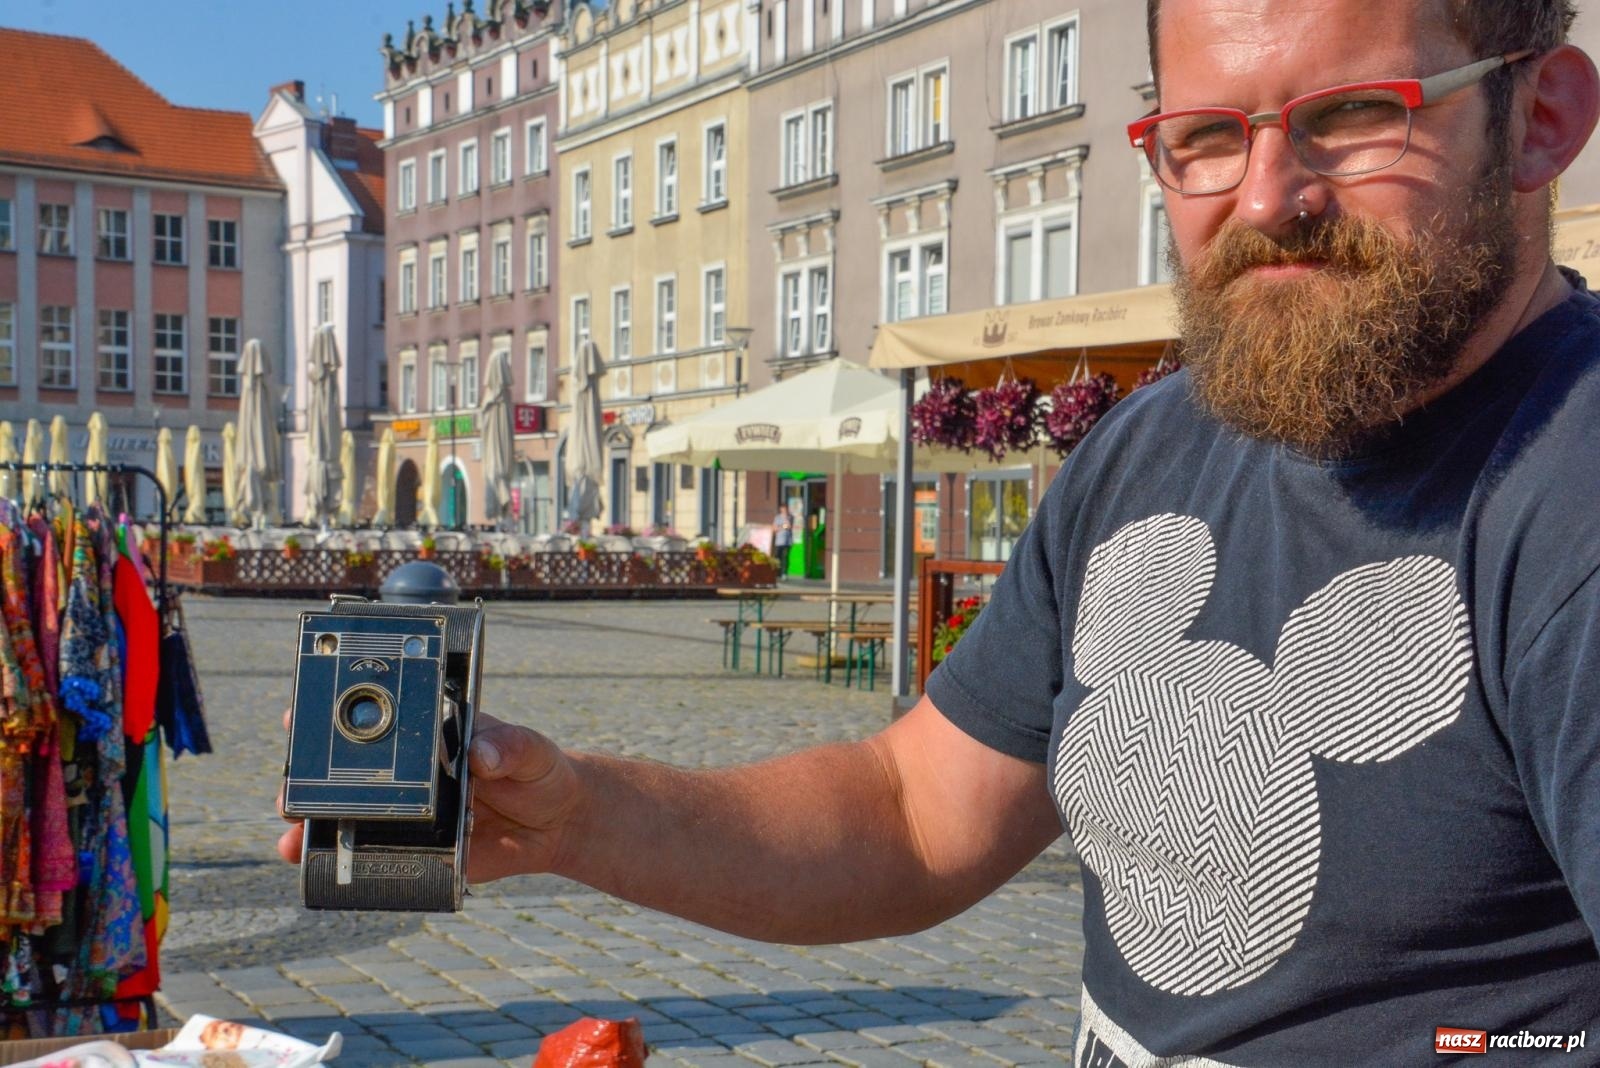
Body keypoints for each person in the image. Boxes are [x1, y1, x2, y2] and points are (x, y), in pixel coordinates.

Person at [280, 0, 1600, 1062]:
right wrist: (574, 817)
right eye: (1204, 136)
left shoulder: (1568, 498)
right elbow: (915, 814)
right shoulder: (1155, 446)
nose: (1265, 197)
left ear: (1541, 117)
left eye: (1354, 117)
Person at [772, 502, 796, 576]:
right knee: (777, 557)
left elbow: (789, 526)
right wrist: (782, 526)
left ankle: (784, 573)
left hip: (788, 541)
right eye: (783, 508)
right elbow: (775, 528)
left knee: (785, 557)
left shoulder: (790, 517)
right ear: (781, 509)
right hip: (779, 541)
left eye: (786, 508)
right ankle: (777, 572)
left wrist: (781, 526)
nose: (785, 510)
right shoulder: (777, 517)